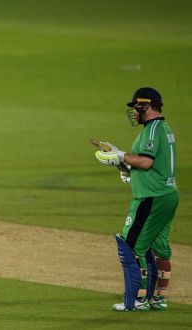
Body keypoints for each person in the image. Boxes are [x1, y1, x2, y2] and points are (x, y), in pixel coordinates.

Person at [95, 87, 178, 311]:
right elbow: (152, 165)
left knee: (131, 247)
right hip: (167, 195)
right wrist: (127, 168)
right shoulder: (164, 129)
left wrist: (120, 156)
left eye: (136, 107)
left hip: (151, 197)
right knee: (159, 247)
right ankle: (158, 298)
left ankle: (137, 300)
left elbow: (147, 161)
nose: (134, 112)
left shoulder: (152, 130)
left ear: (145, 106)